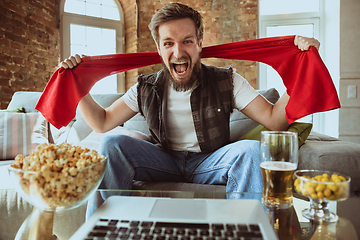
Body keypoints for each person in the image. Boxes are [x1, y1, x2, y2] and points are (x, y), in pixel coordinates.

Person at [61, 3, 320, 217]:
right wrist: (78, 84)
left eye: (187, 41)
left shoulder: (228, 81)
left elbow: (275, 120)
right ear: (160, 49)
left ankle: (247, 231)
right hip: (163, 160)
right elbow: (102, 123)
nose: (178, 51)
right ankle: (107, 229)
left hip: (211, 161)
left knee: (252, 150)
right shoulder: (144, 88)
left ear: (199, 44)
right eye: (169, 43)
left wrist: (301, 70)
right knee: (111, 144)